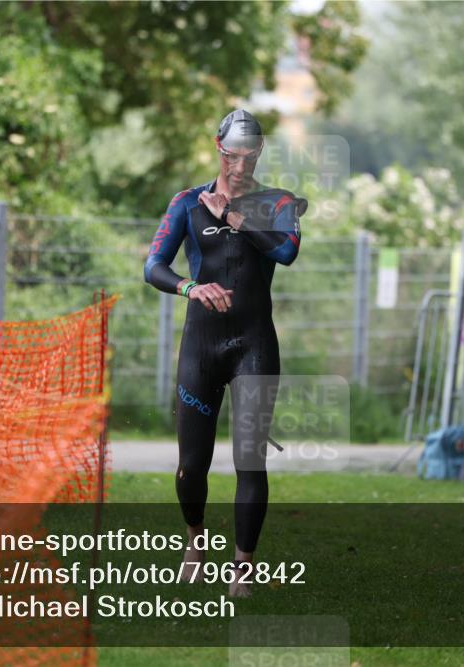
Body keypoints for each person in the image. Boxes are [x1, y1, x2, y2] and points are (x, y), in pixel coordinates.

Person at [143, 109, 306, 597]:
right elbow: (153, 266)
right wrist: (190, 288)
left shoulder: (276, 202)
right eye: (232, 154)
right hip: (202, 345)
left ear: (259, 153)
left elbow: (287, 251)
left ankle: (243, 568)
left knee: (249, 460)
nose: (240, 164)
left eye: (249, 155)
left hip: (253, 343)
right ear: (218, 147)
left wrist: (236, 218)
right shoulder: (187, 203)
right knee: (192, 463)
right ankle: (195, 543)